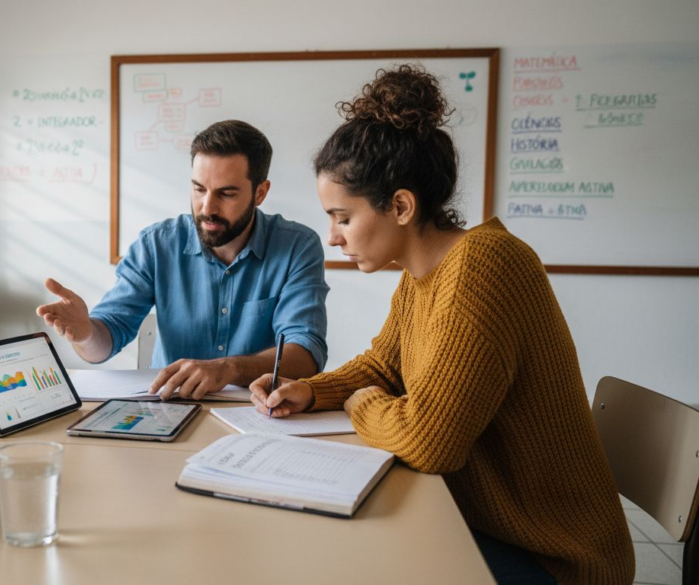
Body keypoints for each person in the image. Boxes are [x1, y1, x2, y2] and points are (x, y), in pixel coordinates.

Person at [249, 66, 633, 584]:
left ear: (401, 206)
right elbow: (384, 365)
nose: (334, 237)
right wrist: (311, 391)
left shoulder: (486, 266)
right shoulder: (423, 275)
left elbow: (430, 441)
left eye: (342, 217)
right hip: (484, 524)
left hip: (554, 556)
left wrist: (360, 403)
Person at [37, 120, 329, 400]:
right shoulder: (156, 244)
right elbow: (105, 341)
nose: (207, 208)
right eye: (199, 189)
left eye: (226, 193)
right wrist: (86, 333)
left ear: (260, 193)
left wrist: (228, 369)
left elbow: (306, 354)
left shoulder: (297, 247)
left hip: (258, 413)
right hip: (169, 405)